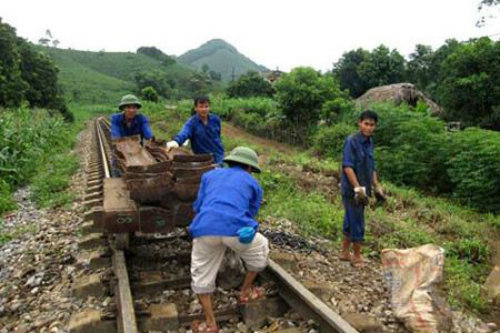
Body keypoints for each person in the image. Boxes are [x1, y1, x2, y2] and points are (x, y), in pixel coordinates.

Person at [189, 147, 268, 333]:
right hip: (235, 231)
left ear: (229, 162)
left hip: (205, 228)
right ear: (249, 168)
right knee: (260, 248)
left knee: (201, 273)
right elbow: (251, 213)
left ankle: (210, 323)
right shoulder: (254, 184)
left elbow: (198, 206)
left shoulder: (209, 176)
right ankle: (245, 291)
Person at [340, 110, 385, 268]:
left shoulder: (370, 142)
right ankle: (357, 256)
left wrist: (376, 185)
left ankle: (344, 253)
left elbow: (370, 167)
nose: (369, 127)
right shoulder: (352, 141)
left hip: (364, 188)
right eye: (366, 124)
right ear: (359, 123)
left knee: (350, 219)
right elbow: (348, 167)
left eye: (372, 125)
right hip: (352, 189)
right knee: (358, 221)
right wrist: (357, 188)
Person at [166, 96, 224, 166]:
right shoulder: (192, 123)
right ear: (196, 108)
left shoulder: (215, 119)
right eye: (201, 107)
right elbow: (184, 133)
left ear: (209, 107)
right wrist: (176, 141)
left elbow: (218, 136)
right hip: (204, 161)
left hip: (219, 156)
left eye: (206, 106)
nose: (204, 109)